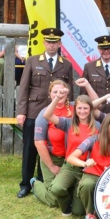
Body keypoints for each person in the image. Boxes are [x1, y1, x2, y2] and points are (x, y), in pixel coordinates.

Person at [16, 28, 74, 198]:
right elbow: (24, 87)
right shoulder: (33, 61)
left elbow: (69, 90)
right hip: (35, 112)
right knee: (30, 149)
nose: (51, 45)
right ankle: (26, 184)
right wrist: (21, 111)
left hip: (58, 115)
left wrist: (70, 111)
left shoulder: (66, 64)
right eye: (48, 42)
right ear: (44, 43)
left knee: (51, 149)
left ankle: (42, 179)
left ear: (59, 44)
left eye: (54, 42)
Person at [42, 91, 100, 216]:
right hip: (69, 167)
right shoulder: (68, 123)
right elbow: (47, 115)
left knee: (78, 211)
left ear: (90, 109)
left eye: (86, 108)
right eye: (79, 108)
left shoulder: (98, 127)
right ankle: (63, 203)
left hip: (87, 170)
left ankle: (75, 193)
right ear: (75, 109)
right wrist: (58, 97)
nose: (82, 111)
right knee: (57, 188)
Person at [67, 113, 110, 219]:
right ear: (107, 125)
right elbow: (71, 157)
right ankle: (89, 215)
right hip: (92, 175)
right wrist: (84, 163)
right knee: (77, 210)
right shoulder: (93, 140)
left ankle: (99, 212)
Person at [31, 80, 73, 208]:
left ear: (67, 93)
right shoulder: (43, 114)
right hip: (52, 158)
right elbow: (38, 143)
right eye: (55, 92)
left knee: (70, 195)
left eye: (62, 92)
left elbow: (93, 106)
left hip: (71, 160)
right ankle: (36, 185)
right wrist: (51, 166)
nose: (59, 95)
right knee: (55, 199)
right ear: (50, 94)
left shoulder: (76, 108)